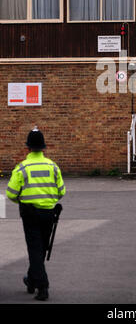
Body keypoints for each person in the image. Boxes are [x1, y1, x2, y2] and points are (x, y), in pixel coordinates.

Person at [6, 126, 66, 301]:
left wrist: (23, 201)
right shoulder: (53, 167)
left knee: (35, 249)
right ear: (44, 148)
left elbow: (11, 193)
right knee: (41, 249)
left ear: (28, 148)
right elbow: (61, 191)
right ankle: (31, 280)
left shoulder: (22, 168)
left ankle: (43, 286)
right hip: (49, 213)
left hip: (30, 214)